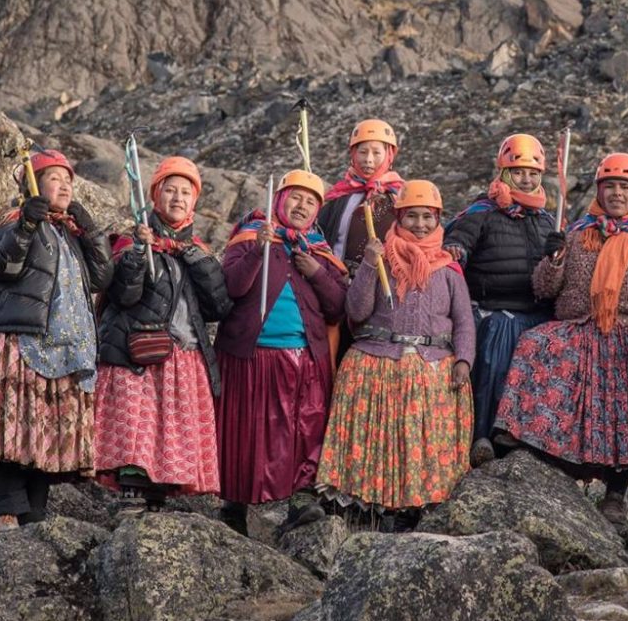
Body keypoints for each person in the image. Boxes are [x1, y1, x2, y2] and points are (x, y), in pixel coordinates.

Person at [494, 152, 628, 524]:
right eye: (610, 187)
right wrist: (554, 259)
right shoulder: (577, 233)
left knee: (621, 413)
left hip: (627, 331)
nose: (617, 195)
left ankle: (615, 492)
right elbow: (544, 288)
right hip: (580, 326)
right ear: (599, 191)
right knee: (535, 343)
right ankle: (517, 433)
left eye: (625, 188)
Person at [0, 148, 113, 532]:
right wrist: (26, 227)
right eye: (55, 178)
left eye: (69, 180)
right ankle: (2, 513)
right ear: (33, 184)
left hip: (59, 350)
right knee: (8, 429)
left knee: (42, 431)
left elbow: (100, 279)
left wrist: (91, 232)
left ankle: (33, 516)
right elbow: (5, 267)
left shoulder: (69, 235)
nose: (64, 186)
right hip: (16, 341)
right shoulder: (11, 224)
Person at [317, 180, 476, 525]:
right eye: (411, 217)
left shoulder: (449, 271)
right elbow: (356, 312)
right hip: (376, 360)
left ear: (438, 220)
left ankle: (414, 505)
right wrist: (371, 265)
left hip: (431, 365)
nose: (419, 224)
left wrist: (463, 360)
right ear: (398, 219)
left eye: (427, 217)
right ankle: (366, 505)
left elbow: (464, 322)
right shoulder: (380, 260)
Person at [93, 156, 233, 508]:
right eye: (170, 190)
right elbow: (125, 294)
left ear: (195, 201)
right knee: (139, 431)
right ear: (155, 196)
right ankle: (133, 491)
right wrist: (140, 252)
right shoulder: (130, 242)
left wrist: (196, 260)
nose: (178, 198)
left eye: (186, 192)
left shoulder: (197, 250)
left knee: (168, 434)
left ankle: (158, 497)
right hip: (138, 351)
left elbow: (218, 305)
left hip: (183, 355)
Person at [215, 169, 349, 535]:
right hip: (251, 354)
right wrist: (259, 250)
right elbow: (231, 287)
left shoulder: (318, 251)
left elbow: (338, 308)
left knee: (304, 428)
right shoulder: (250, 236)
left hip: (305, 354)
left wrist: (316, 273)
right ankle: (234, 504)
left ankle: (300, 500)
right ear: (279, 199)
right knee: (245, 430)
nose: (302, 205)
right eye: (295, 197)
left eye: (311, 201)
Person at [443, 133, 559, 465]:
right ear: (504, 173)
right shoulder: (482, 211)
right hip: (493, 308)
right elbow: (459, 241)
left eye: (533, 173)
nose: (527, 179)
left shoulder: (547, 220)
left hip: (534, 309)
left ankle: (529, 434)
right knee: (497, 342)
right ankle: (483, 433)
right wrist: (458, 251)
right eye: (519, 172)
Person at [315, 118, 405, 267]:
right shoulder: (339, 197)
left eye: (376, 153)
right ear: (353, 154)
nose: (368, 159)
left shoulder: (401, 197)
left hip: (386, 283)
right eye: (363, 152)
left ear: (389, 156)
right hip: (340, 280)